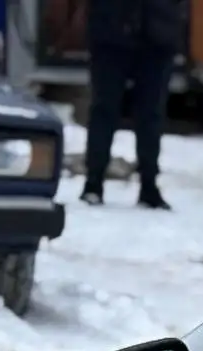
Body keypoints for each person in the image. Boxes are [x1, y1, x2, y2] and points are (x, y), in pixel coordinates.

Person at [82, 0, 187, 210]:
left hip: (156, 33)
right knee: (105, 110)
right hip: (112, 31)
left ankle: (148, 185)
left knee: (150, 114)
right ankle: (94, 183)